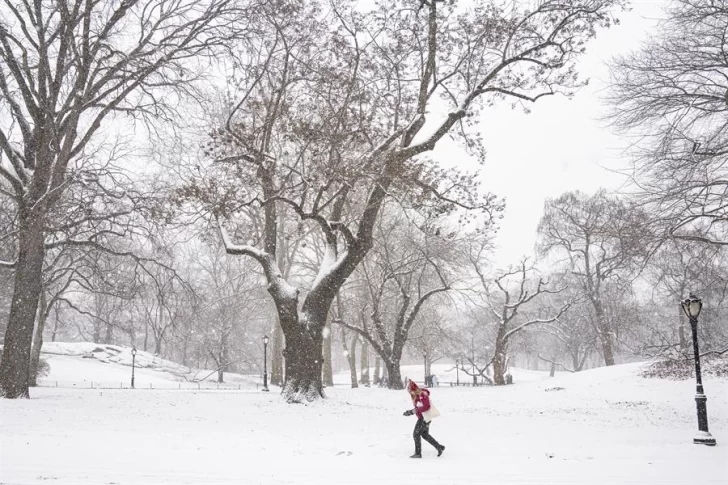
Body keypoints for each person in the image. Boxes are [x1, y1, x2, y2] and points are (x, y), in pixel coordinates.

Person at [402, 380, 445, 458]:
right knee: (424, 435)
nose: (409, 392)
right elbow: (418, 407)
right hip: (424, 418)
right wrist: (410, 412)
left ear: (413, 388)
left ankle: (418, 453)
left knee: (416, 434)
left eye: (409, 389)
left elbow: (426, 406)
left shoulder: (422, 394)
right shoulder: (416, 395)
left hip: (424, 418)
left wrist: (414, 411)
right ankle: (439, 447)